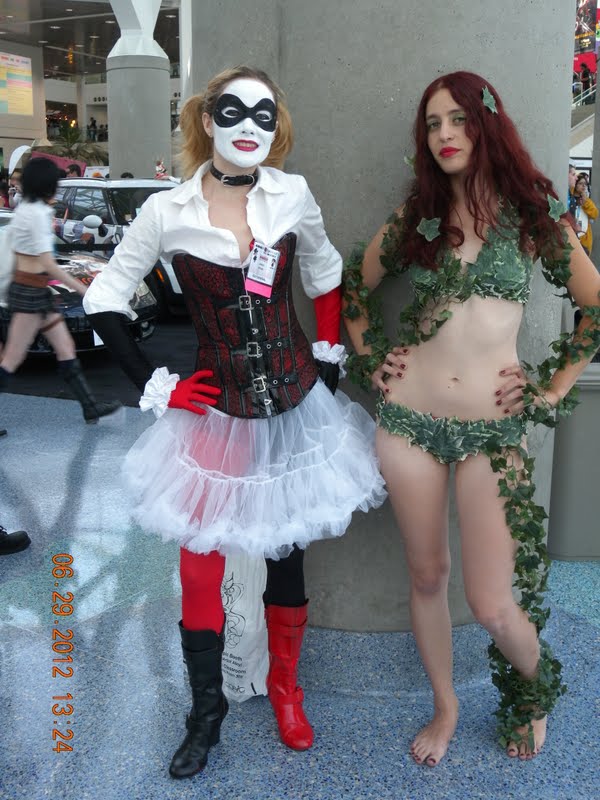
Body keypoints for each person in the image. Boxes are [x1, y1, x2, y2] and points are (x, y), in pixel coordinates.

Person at [83, 65, 386, 779]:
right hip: (215, 412)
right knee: (198, 562)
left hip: (291, 403)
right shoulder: (168, 209)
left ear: (275, 124)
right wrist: (156, 387)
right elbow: (104, 296)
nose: (248, 126)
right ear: (206, 120)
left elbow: (325, 268)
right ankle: (205, 712)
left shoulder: (291, 194)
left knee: (286, 551)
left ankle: (285, 689)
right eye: (232, 111)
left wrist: (328, 357)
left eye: (263, 113)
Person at [343, 71, 600, 766]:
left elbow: (595, 304)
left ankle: (532, 692)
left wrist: (550, 389)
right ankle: (446, 705)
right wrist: (373, 362)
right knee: (427, 575)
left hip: (494, 430)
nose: (446, 134)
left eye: (457, 119)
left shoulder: (532, 218)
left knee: (491, 603)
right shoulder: (415, 220)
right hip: (410, 426)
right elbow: (351, 292)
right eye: (433, 124)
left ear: (487, 124)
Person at [0, 158, 122, 423]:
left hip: (30, 289)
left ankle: (89, 406)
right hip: (32, 292)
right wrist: (82, 289)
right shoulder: (40, 214)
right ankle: (89, 406)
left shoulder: (23, 209)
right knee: (12, 358)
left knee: (64, 346)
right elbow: (46, 262)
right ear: (47, 185)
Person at [573, 173, 598, 254]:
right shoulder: (570, 198)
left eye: (585, 184)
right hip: (572, 236)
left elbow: (595, 214)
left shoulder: (586, 200)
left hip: (584, 238)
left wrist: (585, 202)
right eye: (580, 183)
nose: (583, 186)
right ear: (575, 185)